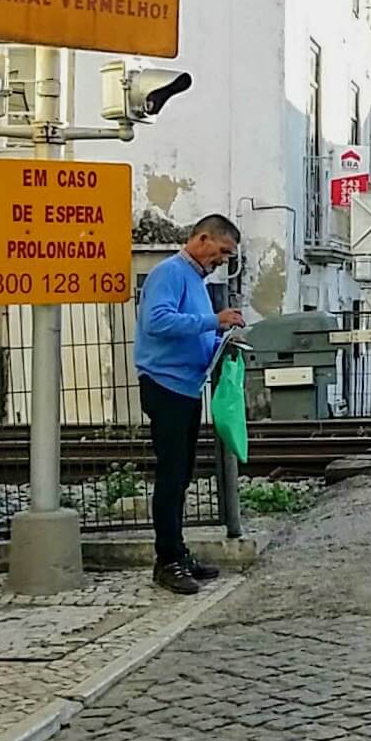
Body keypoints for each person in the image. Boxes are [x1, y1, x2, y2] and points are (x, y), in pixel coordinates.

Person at [134, 214, 244, 594]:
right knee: (171, 477)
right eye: (223, 251)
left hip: (183, 386)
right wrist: (214, 321)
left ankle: (177, 553)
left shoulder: (193, 280)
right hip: (166, 385)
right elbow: (158, 322)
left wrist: (220, 343)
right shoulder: (171, 273)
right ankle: (167, 561)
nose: (223, 261)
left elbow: (191, 328)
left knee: (179, 477)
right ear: (202, 238)